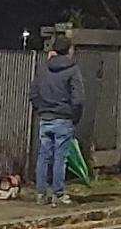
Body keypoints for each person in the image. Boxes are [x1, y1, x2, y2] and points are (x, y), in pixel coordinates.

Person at [30, 35, 85, 206]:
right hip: (63, 118)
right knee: (60, 158)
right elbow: (78, 99)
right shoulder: (73, 69)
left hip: (45, 118)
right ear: (69, 49)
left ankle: (40, 193)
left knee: (43, 156)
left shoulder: (43, 68)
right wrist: (73, 116)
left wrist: (42, 110)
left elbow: (33, 94)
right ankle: (58, 194)